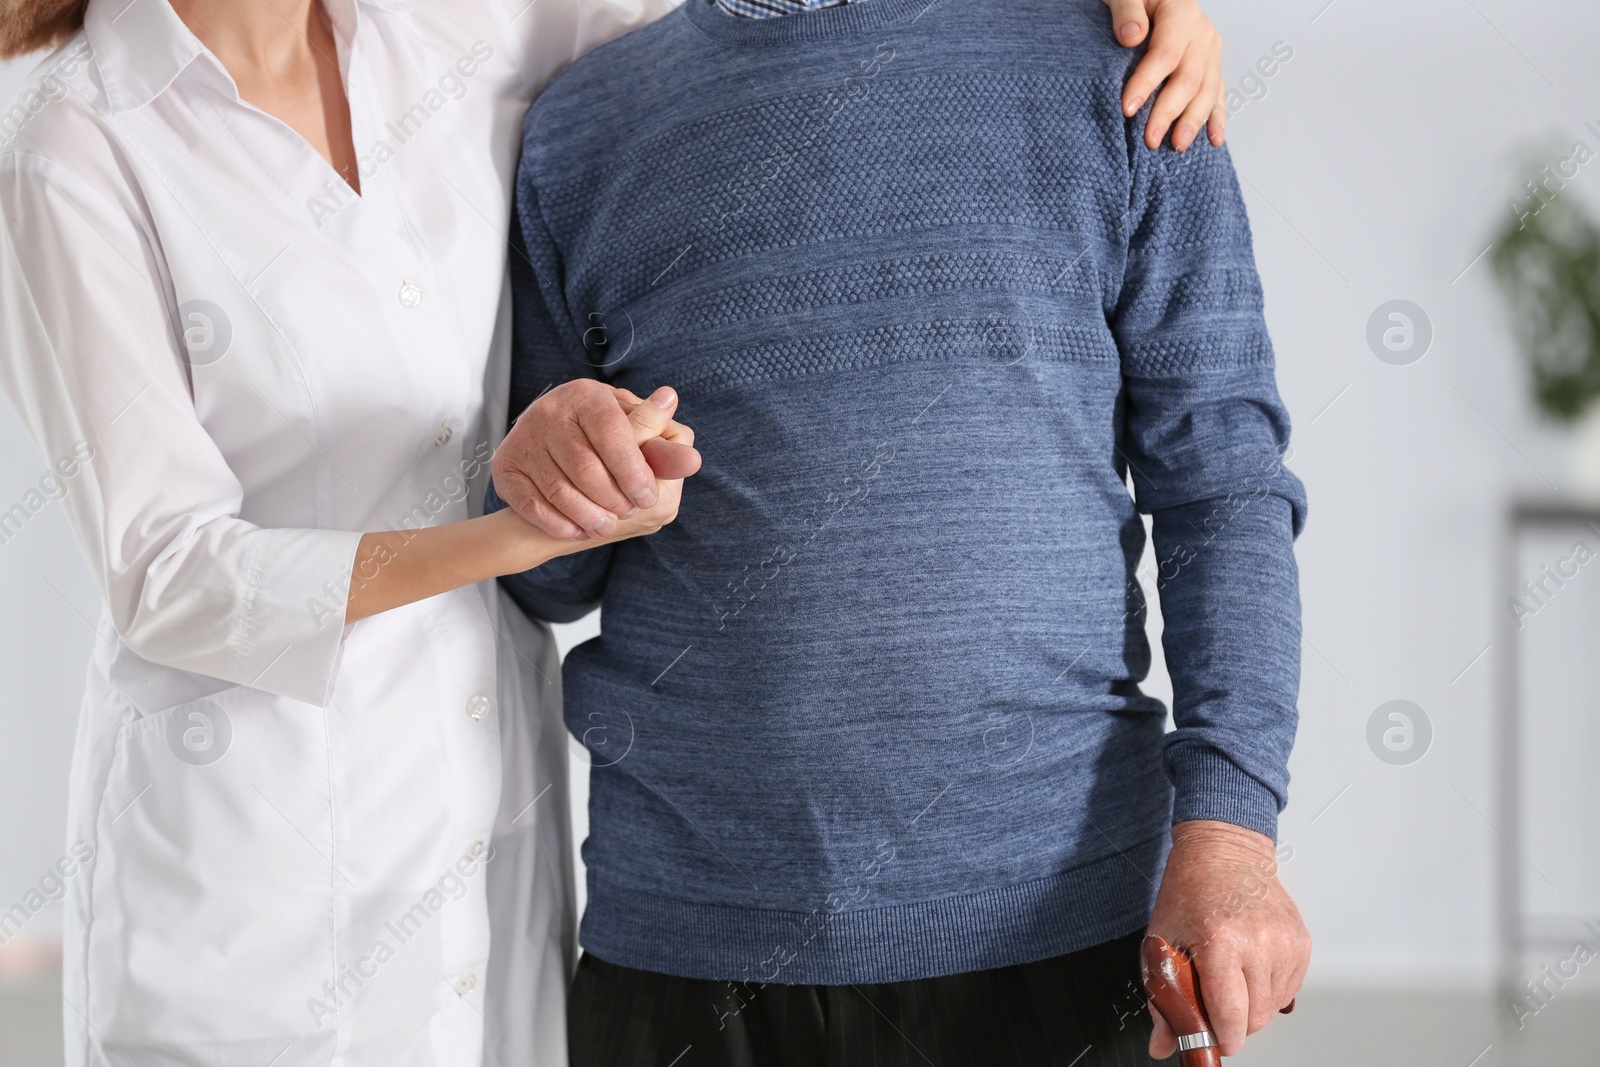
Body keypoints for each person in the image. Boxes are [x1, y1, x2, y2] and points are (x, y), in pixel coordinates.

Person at [0, 0, 1227, 1065]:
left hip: (485, 826)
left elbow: (753, 41)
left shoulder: (459, 33)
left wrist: (1131, 11)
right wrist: (517, 526)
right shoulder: (77, 145)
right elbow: (166, 571)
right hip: (241, 858)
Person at [486, 0, 1312, 1063]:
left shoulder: (1127, 69)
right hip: (686, 948)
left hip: (1053, 929)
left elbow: (1221, 486)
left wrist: (1231, 830)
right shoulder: (578, 125)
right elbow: (550, 579)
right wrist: (549, 462)